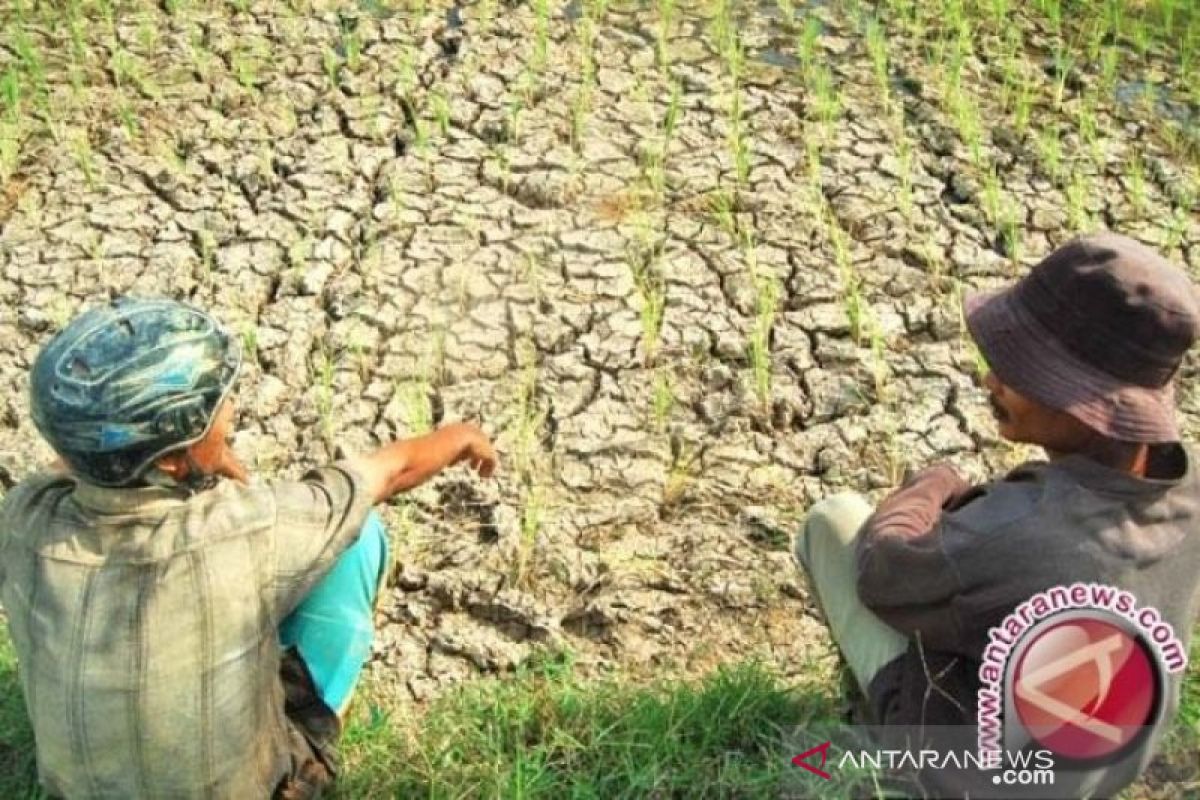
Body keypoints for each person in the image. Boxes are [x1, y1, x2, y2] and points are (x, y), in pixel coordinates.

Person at [0, 297, 498, 799]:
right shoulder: (249, 528)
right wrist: (458, 436)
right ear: (172, 461)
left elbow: (71, 464)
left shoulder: (23, 519)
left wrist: (195, 453)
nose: (232, 410)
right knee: (358, 538)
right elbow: (387, 473)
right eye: (219, 408)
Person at [793, 233, 1200, 797]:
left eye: (1019, 369)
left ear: (1086, 403)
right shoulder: (1186, 487)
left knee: (834, 523)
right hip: (1111, 758)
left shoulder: (1016, 530)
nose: (990, 380)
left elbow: (883, 570)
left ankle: (883, 748)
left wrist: (932, 486)